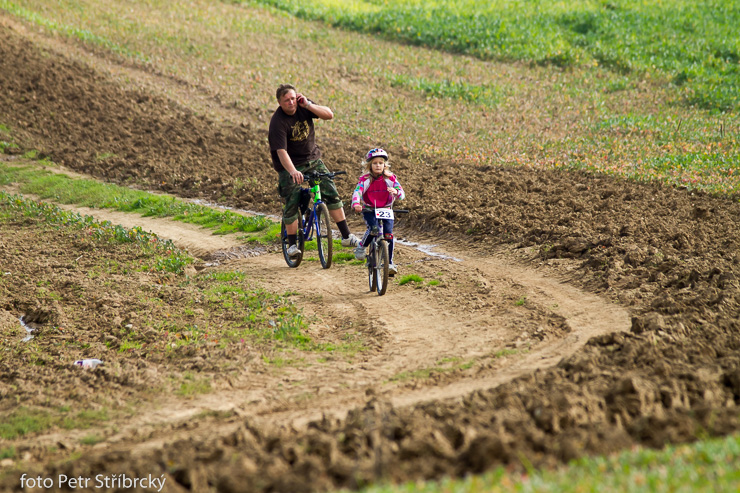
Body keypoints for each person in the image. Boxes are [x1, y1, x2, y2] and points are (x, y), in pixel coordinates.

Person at [268, 83, 359, 258]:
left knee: (331, 192)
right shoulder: (277, 122)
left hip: (313, 159)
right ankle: (292, 245)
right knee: (292, 201)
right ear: (279, 102)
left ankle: (346, 236)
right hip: (290, 165)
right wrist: (293, 171)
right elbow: (281, 151)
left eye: (293, 98)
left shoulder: (303, 105)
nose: (291, 103)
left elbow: (329, 115)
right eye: (286, 100)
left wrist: (308, 105)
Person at [351, 148, 405, 276]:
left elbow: (401, 193)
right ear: (370, 165)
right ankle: (362, 246)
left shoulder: (390, 178)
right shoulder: (365, 179)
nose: (378, 165)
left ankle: (390, 262)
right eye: (375, 163)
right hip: (369, 209)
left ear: (384, 165)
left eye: (381, 163)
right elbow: (357, 192)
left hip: (386, 209)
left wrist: (396, 192)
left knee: (388, 235)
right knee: (374, 228)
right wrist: (356, 203)